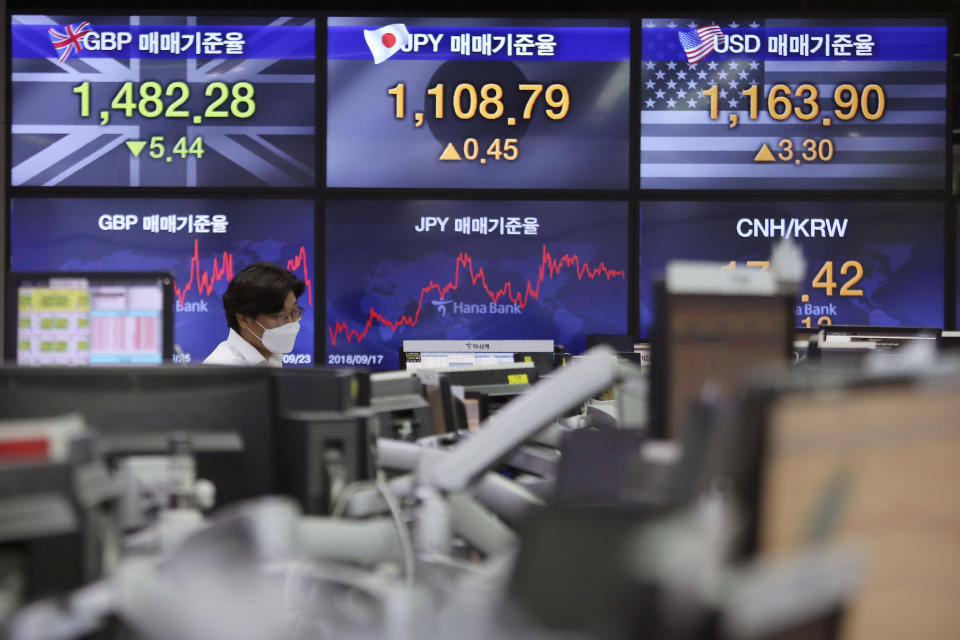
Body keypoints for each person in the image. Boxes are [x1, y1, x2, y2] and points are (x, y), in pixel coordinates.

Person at [204, 262, 306, 367]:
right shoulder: (226, 372)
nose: (290, 322)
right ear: (244, 319)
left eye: (294, 312)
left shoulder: (270, 356)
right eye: (280, 315)